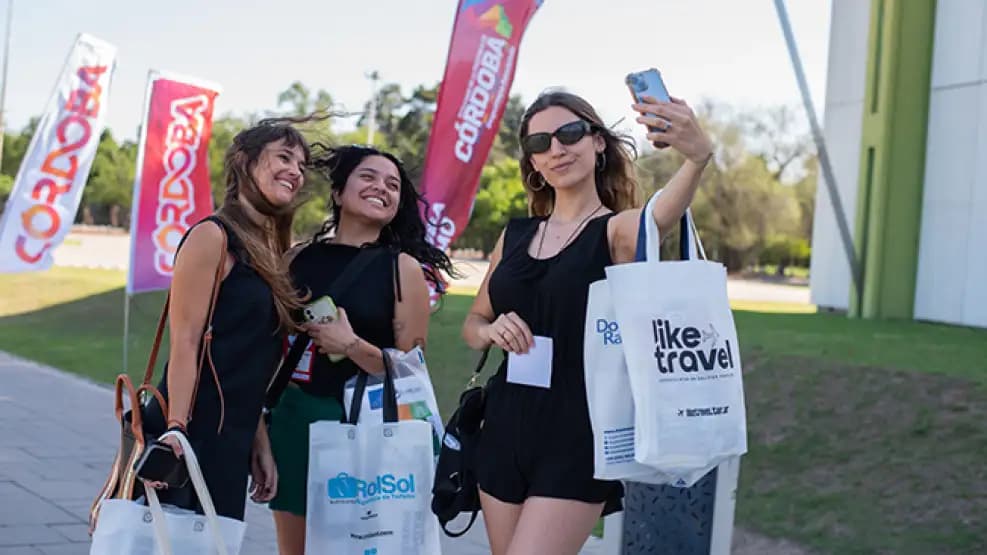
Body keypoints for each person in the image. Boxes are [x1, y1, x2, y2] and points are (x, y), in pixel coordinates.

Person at [462, 90, 714, 554]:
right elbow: (474, 322)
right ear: (533, 162)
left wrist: (697, 158)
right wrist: (490, 331)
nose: (556, 149)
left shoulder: (617, 231)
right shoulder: (514, 235)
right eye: (540, 143)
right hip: (503, 424)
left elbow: (661, 214)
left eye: (570, 133)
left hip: (578, 431)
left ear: (598, 142)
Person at [267, 144, 456, 555]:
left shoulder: (402, 269)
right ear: (338, 192)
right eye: (368, 177)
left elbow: (410, 372)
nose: (381, 188)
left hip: (366, 429)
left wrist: (350, 346)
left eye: (393, 185)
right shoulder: (296, 258)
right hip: (296, 420)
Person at [140, 117, 313, 520]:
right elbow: (186, 341)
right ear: (244, 161)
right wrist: (176, 428)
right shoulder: (213, 237)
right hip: (190, 433)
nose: (295, 172)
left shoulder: (267, 252)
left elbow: (247, 363)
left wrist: (258, 441)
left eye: (301, 166)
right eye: (284, 157)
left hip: (231, 439)